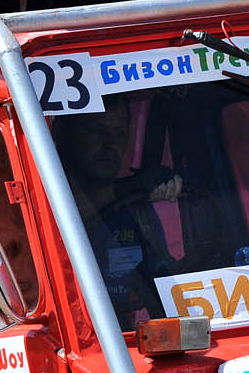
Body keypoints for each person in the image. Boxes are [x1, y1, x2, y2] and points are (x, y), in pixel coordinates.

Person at [52, 96, 184, 328]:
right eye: (96, 130)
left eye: (120, 131)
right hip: (70, 334)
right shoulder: (37, 197)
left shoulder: (130, 211)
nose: (110, 143)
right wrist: (127, 188)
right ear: (62, 134)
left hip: (125, 334)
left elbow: (159, 273)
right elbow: (64, 221)